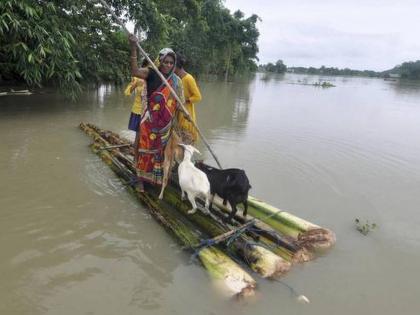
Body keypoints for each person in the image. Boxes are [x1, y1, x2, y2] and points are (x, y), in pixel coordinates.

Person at [128, 34, 184, 191]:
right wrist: (133, 47)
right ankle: (139, 178)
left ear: (174, 64)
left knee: (159, 152)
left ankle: (154, 179)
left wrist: (185, 114)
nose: (168, 65)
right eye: (165, 61)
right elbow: (134, 70)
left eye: (171, 62)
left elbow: (179, 103)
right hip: (149, 121)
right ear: (160, 61)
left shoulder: (176, 81)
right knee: (145, 150)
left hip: (165, 125)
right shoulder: (151, 73)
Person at [174, 53, 202, 143]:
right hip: (177, 114)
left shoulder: (188, 78)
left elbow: (198, 97)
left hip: (186, 115)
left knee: (186, 142)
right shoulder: (176, 79)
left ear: (176, 66)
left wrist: (184, 101)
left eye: (171, 64)